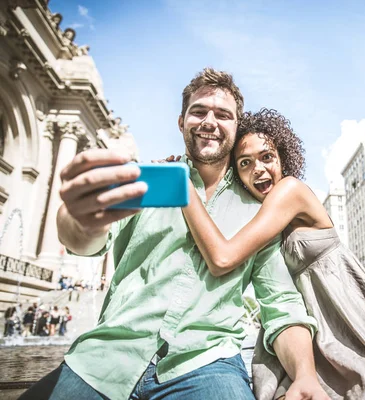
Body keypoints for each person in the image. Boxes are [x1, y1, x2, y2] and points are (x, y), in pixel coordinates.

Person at [20, 68, 327, 400]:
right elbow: (86, 242)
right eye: (198, 111)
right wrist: (81, 221)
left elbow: (281, 304)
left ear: (236, 128)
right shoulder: (146, 181)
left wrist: (305, 375)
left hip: (208, 365)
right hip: (107, 357)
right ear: (181, 122)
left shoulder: (258, 211)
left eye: (223, 114)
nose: (210, 120)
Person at [176, 108, 365, 399]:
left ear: (282, 159)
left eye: (266, 157)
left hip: (341, 313)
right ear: (238, 175)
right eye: (245, 163)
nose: (258, 168)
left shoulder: (289, 191)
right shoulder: (258, 214)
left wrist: (183, 186)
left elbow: (224, 257)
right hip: (305, 320)